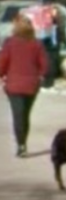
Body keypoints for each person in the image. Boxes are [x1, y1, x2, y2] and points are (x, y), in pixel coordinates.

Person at [0, 13, 49, 157]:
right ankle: (23, 143)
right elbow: (44, 64)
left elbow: (3, 62)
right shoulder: (37, 44)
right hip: (32, 85)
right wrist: (41, 76)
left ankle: (21, 145)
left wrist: (1, 75)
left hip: (14, 85)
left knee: (18, 115)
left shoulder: (10, 43)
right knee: (25, 115)